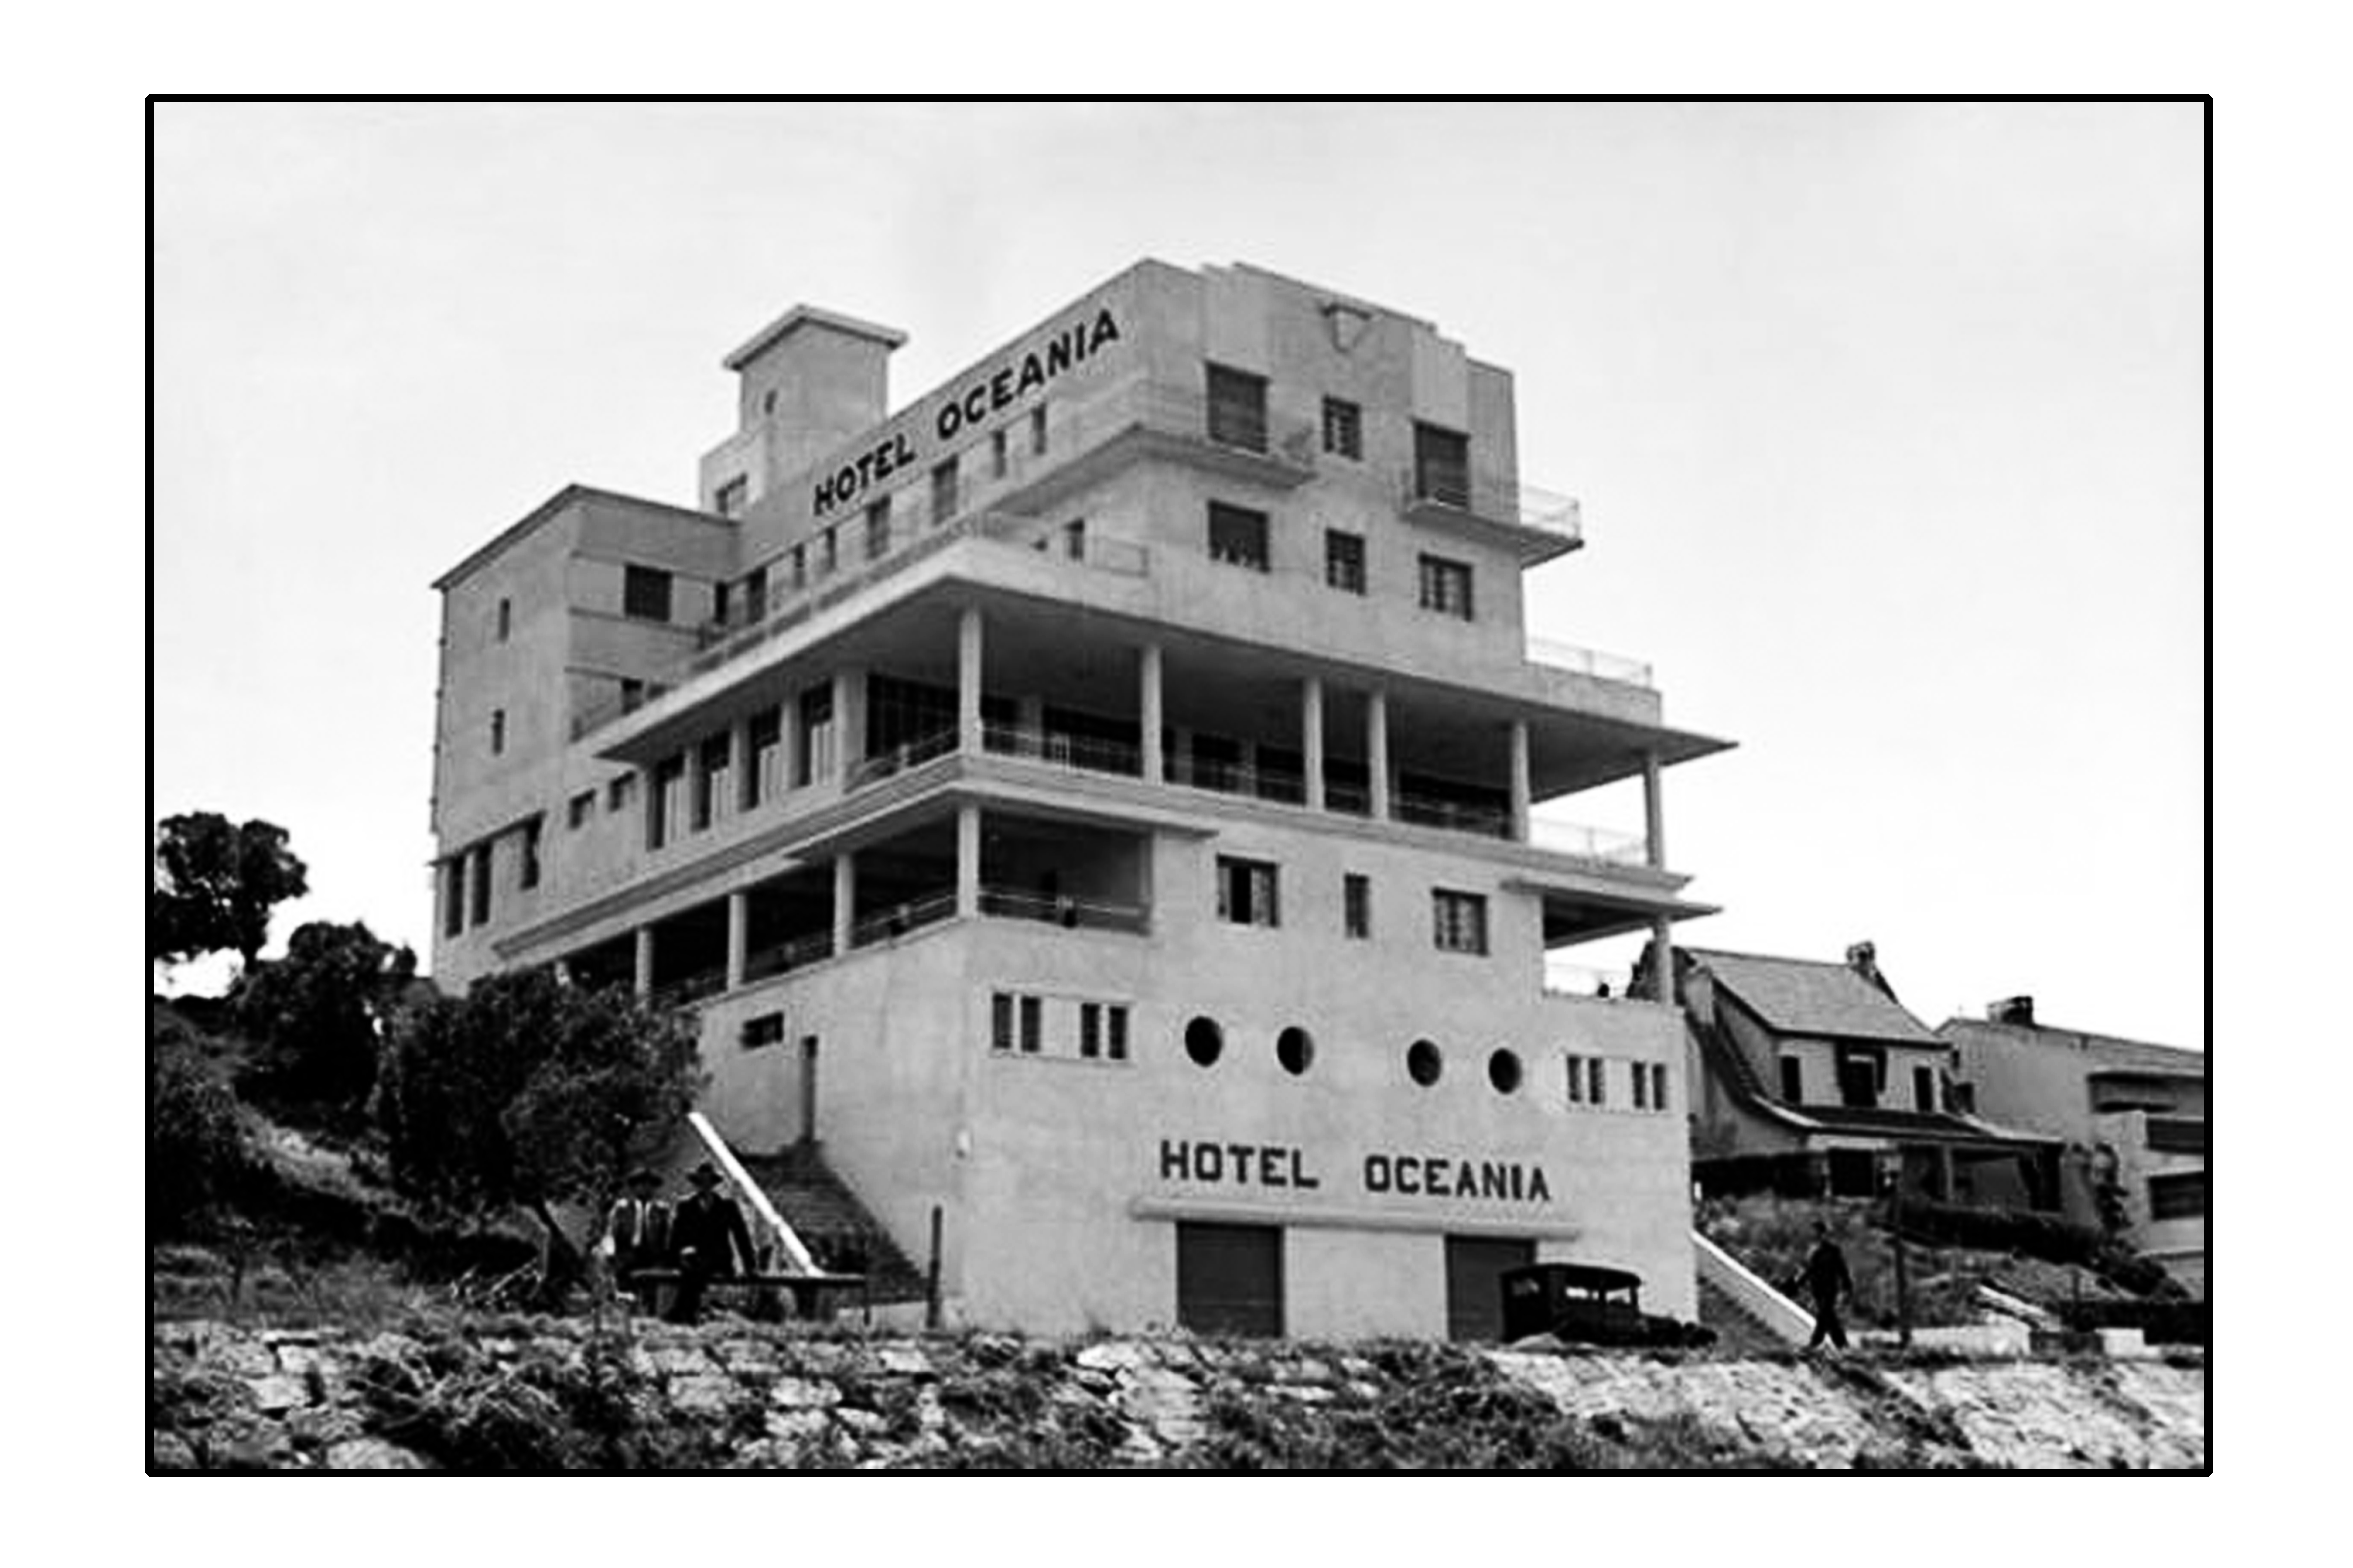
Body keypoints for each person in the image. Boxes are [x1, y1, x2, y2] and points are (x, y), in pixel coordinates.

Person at [667, 1162, 757, 1324]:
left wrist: (750, 1265)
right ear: (696, 1185)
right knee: (693, 1266)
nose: (705, 1186)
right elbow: (676, 1237)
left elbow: (741, 1236)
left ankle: (681, 1312)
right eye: (701, 1182)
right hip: (692, 1259)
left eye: (708, 1182)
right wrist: (674, 1259)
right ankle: (688, 1313)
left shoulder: (727, 1206)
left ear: (713, 1185)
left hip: (719, 1259)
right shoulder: (686, 1206)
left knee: (696, 1269)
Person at [601, 1169, 673, 1311]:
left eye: (650, 1185)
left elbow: (669, 1235)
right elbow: (610, 1233)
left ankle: (651, 1312)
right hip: (627, 1252)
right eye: (642, 1185)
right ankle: (626, 1311)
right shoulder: (622, 1207)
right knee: (624, 1276)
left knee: (653, 1284)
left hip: (653, 1254)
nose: (646, 1189)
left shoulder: (662, 1209)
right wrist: (610, 1251)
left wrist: (667, 1256)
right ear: (634, 1187)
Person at [1802, 1221, 1853, 1351]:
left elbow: (1842, 1269)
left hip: (1830, 1290)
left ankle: (1815, 1343)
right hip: (1817, 1290)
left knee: (1824, 1315)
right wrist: (1797, 1284)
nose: (1816, 1235)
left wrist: (1847, 1286)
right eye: (1814, 1232)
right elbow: (1808, 1270)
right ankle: (1843, 1345)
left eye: (1819, 1232)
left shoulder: (1833, 1250)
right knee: (1829, 1318)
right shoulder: (1813, 1250)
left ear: (1824, 1234)